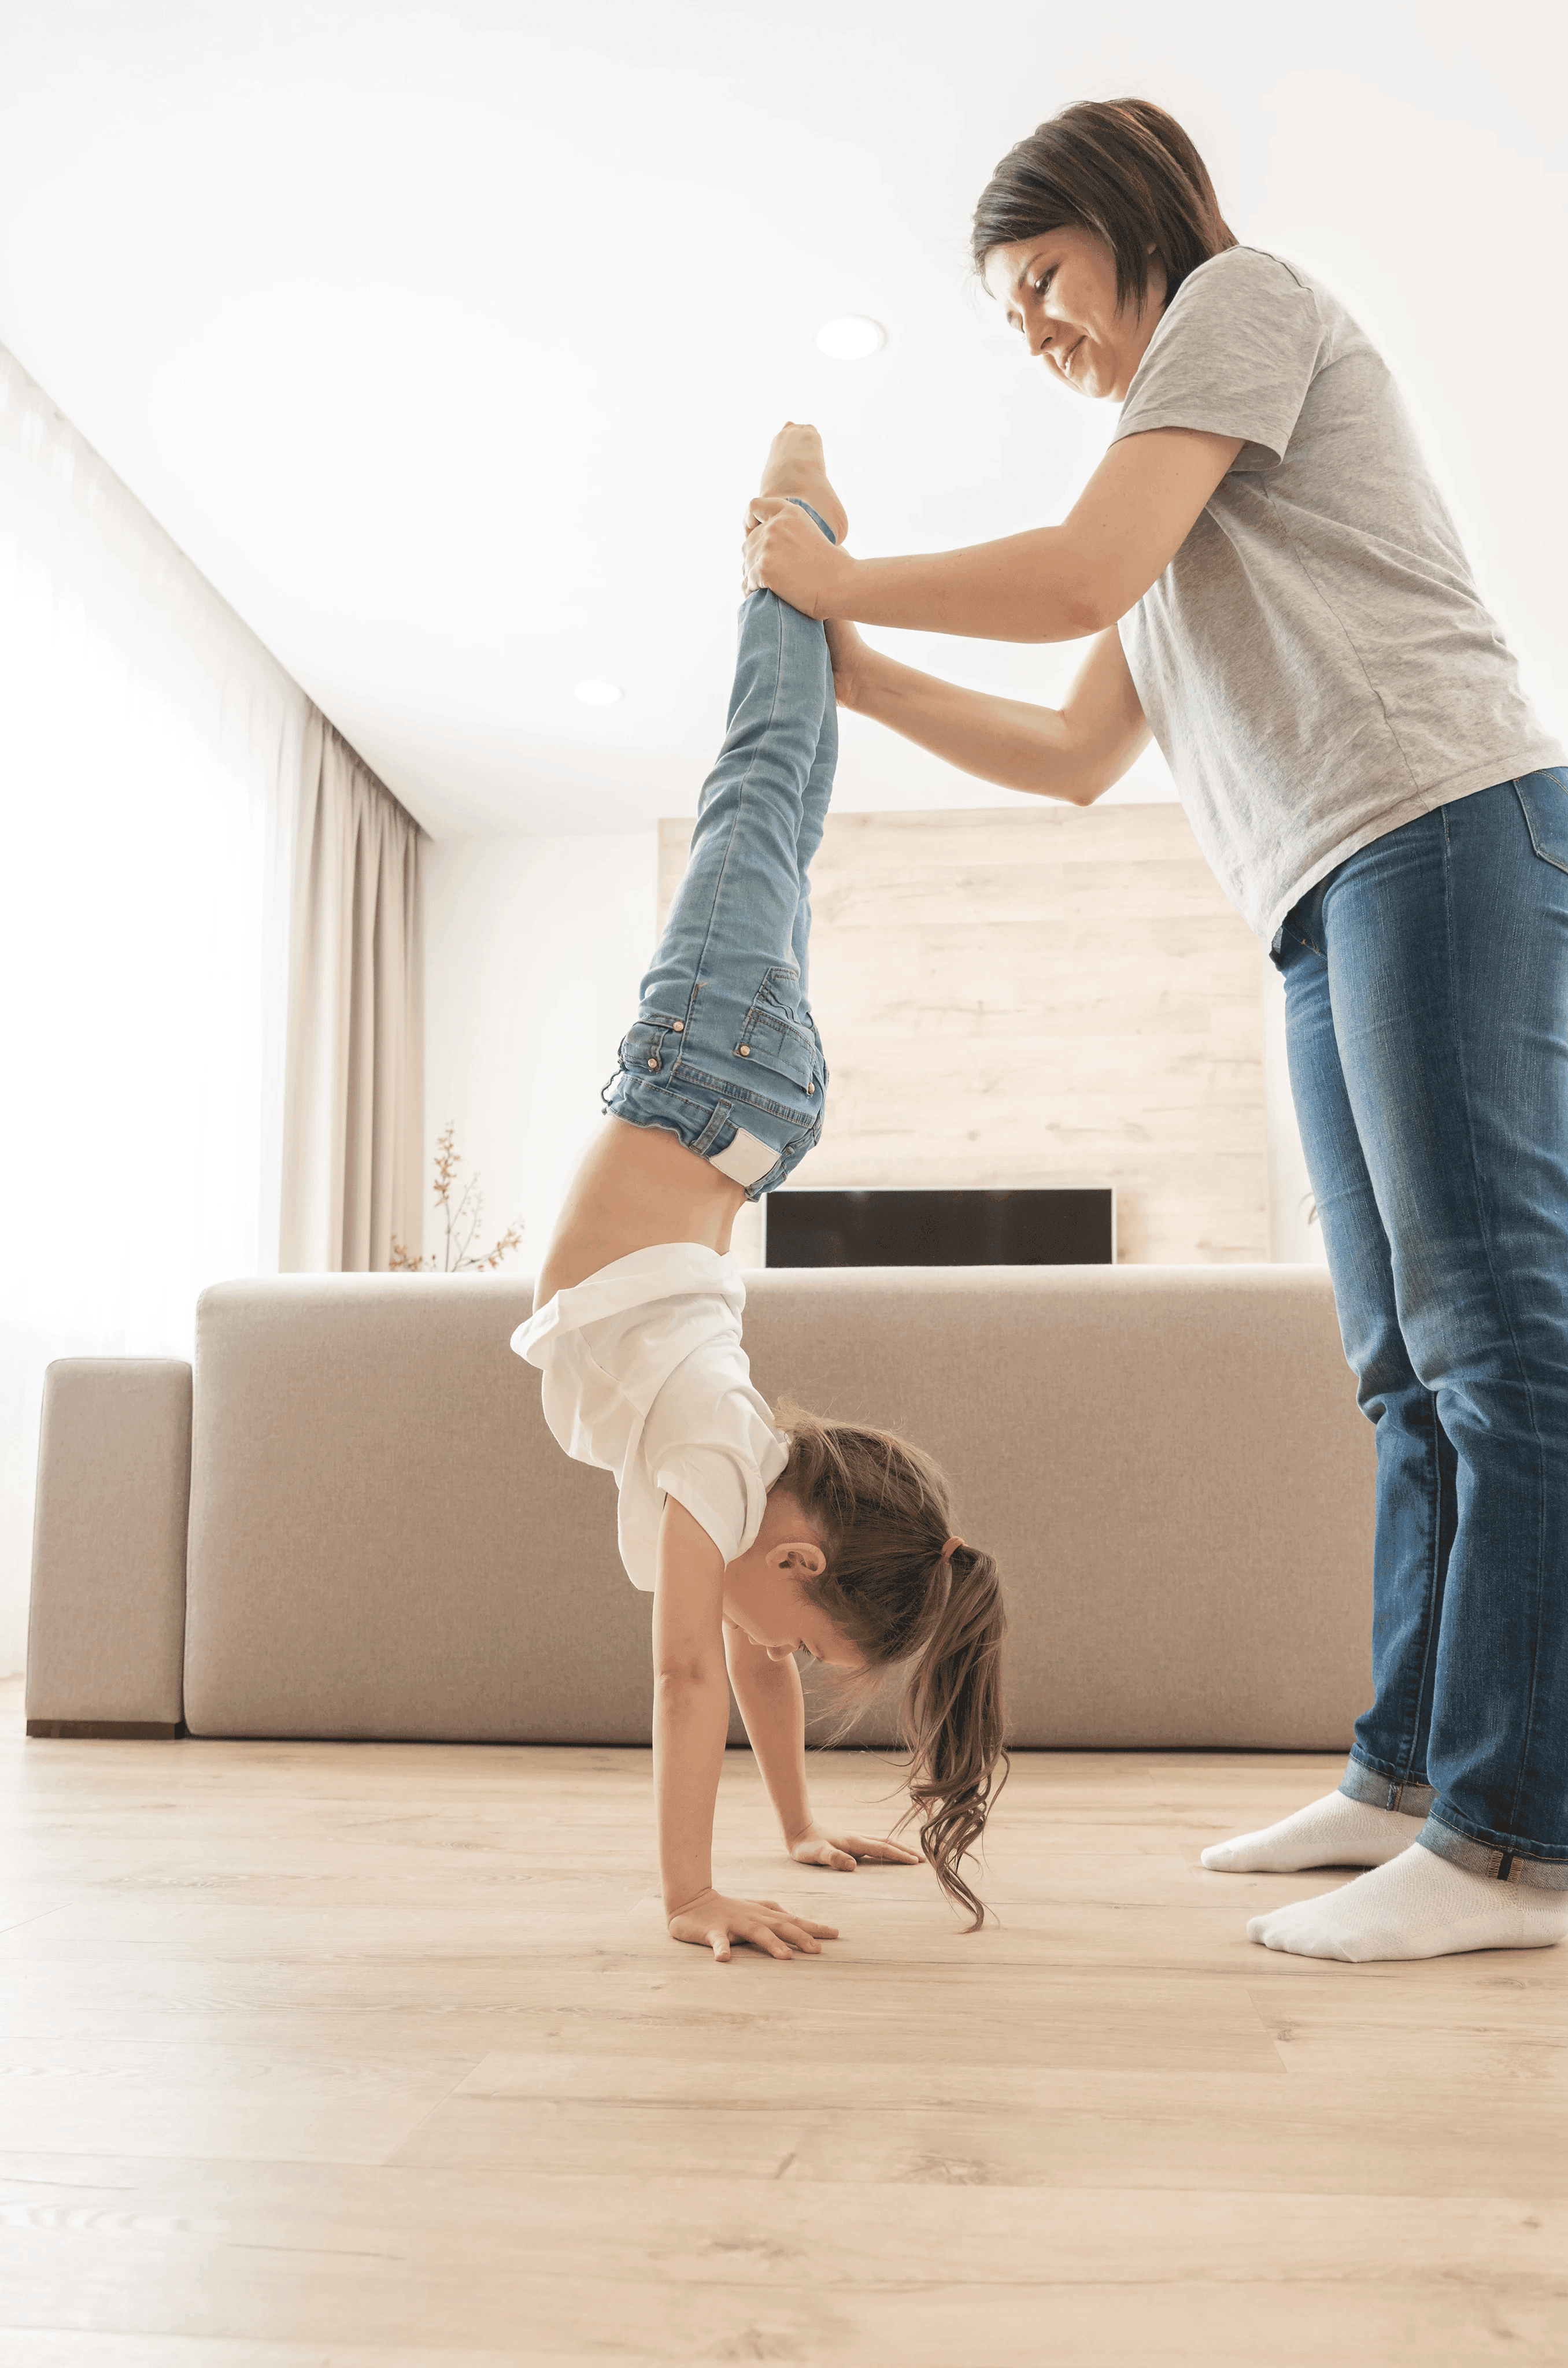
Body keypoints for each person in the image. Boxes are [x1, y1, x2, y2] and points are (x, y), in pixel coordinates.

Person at [744, 100, 1568, 1965]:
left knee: (1495, 1347)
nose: (1037, 328)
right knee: (1403, 1375)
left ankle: (1511, 1845)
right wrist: (860, 669)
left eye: (1043, 280)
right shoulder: (1190, 489)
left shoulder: (1241, 302)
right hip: (1331, 895)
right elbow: (1070, 756)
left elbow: (1074, 570)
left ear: (1132, 226)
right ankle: (1404, 1780)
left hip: (1444, 830)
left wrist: (840, 585)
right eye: (1009, 310)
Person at [513, 426, 1007, 1959]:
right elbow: (684, 1682)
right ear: (798, 1556)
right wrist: (689, 1895)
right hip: (704, 1078)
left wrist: (794, 1831)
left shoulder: (737, 1478)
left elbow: (752, 1667)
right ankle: (794, 531)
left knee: (776, 817)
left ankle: (808, 579)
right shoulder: (720, 1475)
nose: (764, 1650)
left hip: (744, 1109)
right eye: (788, 1620)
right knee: (760, 786)